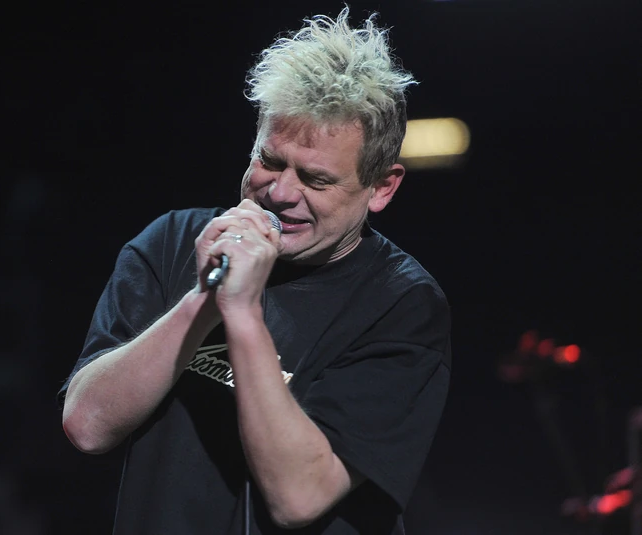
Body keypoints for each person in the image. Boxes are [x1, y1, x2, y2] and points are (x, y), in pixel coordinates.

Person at [58, 8, 451, 534]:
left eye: (316, 179)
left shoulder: (401, 304)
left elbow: (300, 497)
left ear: (382, 187)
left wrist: (241, 312)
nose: (281, 193)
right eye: (270, 161)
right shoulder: (172, 243)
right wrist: (205, 297)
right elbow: (88, 427)